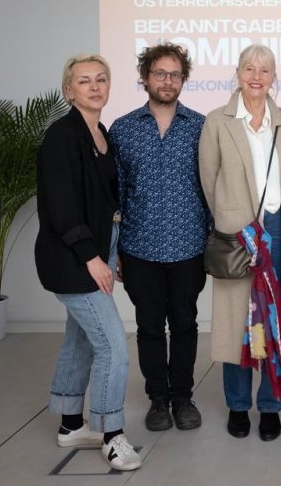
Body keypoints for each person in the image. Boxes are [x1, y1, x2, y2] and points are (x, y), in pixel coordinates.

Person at [35, 54, 142, 471]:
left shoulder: (100, 133)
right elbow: (62, 208)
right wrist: (93, 259)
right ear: (68, 90)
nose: (95, 86)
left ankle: (70, 424)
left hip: (96, 255)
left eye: (101, 79)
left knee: (79, 340)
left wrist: (111, 253)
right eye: (84, 81)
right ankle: (112, 435)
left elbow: (105, 203)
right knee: (114, 348)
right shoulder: (62, 136)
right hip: (72, 261)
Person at [198, 44, 281, 441]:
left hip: (278, 230)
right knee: (237, 324)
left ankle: (271, 405)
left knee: (273, 320)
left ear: (273, 76)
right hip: (238, 233)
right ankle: (238, 406)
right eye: (249, 68)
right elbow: (209, 182)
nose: (256, 75)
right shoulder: (217, 122)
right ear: (237, 73)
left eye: (264, 69)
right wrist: (233, 219)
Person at [109, 43, 210, 432]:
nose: (167, 81)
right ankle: (158, 400)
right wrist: (114, 248)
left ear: (183, 80)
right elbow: (116, 194)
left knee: (185, 323)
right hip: (138, 249)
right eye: (159, 73)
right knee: (149, 326)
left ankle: (183, 397)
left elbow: (212, 187)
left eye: (175, 74)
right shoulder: (123, 129)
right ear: (145, 77)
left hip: (189, 247)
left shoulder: (202, 127)